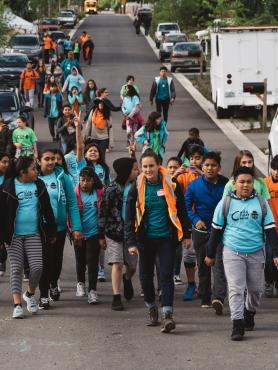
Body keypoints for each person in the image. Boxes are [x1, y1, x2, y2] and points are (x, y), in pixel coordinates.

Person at [205, 166, 278, 341]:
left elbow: (270, 230)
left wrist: (275, 253)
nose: (245, 185)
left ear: (253, 183)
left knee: (255, 290)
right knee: (236, 289)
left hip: (256, 252)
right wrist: (210, 254)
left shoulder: (261, 203)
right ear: (234, 183)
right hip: (232, 252)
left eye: (249, 182)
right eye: (242, 182)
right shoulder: (225, 203)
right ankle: (237, 324)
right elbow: (216, 230)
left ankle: (249, 313)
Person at [125, 150, 190, 332]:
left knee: (166, 275)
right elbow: (129, 217)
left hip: (166, 239)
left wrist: (186, 234)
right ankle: (152, 307)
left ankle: (167, 314)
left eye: (151, 165)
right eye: (144, 166)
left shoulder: (171, 184)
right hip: (145, 239)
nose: (148, 169)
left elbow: (181, 210)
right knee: (145, 277)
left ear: (158, 165)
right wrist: (130, 242)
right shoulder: (136, 187)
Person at [0, 157, 56, 319]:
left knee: (37, 268)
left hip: (34, 234)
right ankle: (17, 305)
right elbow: (1, 214)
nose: (36, 171)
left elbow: (47, 210)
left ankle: (30, 294)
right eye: (33, 169)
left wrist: (51, 232)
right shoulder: (7, 187)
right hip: (14, 236)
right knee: (16, 269)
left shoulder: (39, 185)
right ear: (22, 172)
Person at [37, 148, 82, 309]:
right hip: (40, 229)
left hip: (60, 228)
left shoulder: (63, 178)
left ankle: (53, 283)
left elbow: (72, 203)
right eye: (47, 159)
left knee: (56, 261)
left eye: (53, 159)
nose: (51, 162)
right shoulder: (33, 177)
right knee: (44, 262)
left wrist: (76, 228)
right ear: (39, 161)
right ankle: (43, 296)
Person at [185, 152, 228, 312]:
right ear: (202, 167)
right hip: (200, 231)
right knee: (203, 265)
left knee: (219, 264)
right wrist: (195, 219)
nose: (210, 168)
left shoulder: (227, 184)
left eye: (213, 165)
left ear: (219, 168)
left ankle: (219, 297)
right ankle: (205, 296)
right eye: (207, 165)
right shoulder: (194, 185)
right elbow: (187, 207)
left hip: (221, 231)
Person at [99, 157, 140, 311]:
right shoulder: (111, 189)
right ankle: (116, 296)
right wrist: (101, 235)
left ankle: (127, 278)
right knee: (117, 263)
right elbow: (102, 212)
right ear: (126, 172)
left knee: (132, 266)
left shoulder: (138, 187)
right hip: (113, 232)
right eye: (135, 169)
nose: (138, 171)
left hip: (132, 233)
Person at [176, 145, 204, 300]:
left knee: (203, 254)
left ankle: (203, 284)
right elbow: (171, 188)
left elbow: (215, 183)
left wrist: (201, 173)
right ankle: (191, 283)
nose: (194, 161)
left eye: (198, 158)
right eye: (192, 158)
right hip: (187, 218)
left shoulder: (207, 173)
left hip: (203, 220)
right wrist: (176, 174)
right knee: (188, 253)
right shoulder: (184, 175)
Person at [73, 167, 104, 304]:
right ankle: (80, 283)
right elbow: (71, 214)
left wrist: (102, 234)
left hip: (94, 233)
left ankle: (92, 291)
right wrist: (74, 231)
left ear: (93, 180)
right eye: (82, 180)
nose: (85, 183)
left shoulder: (99, 193)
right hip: (79, 234)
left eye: (88, 180)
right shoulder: (75, 193)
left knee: (92, 262)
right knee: (81, 261)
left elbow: (103, 214)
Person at [83, 142, 110, 281]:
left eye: (96, 151)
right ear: (85, 154)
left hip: (100, 205)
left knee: (100, 237)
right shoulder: (83, 166)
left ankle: (100, 269)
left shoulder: (103, 168)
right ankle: (88, 265)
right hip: (86, 205)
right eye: (90, 151)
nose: (93, 153)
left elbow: (107, 184)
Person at [264, 155, 278, 297]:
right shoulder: (265, 183)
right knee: (269, 258)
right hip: (270, 227)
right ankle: (268, 281)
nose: (276, 172)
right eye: (274, 169)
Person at [64, 114, 87, 188]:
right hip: (72, 187)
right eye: (80, 141)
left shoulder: (84, 157)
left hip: (82, 187)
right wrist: (77, 126)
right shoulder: (66, 157)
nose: (83, 142)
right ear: (75, 144)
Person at [0, 152, 11, 277]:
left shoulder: (10, 178)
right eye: (3, 162)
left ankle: (2, 261)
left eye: (8, 162)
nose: (6, 164)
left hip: (6, 213)